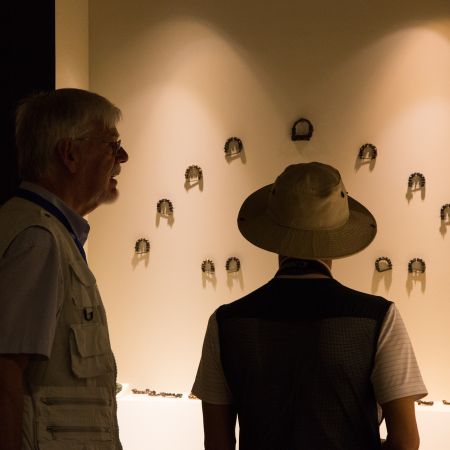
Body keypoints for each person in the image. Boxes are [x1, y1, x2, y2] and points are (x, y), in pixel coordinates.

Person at [192, 162, 427, 450]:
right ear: (338, 234)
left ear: (273, 231)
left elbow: (217, 443)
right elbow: (405, 441)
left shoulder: (226, 323)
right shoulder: (378, 318)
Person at [0, 88, 128, 450]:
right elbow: (5, 375)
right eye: (112, 145)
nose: (122, 157)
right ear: (70, 154)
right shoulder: (38, 240)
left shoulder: (42, 231)